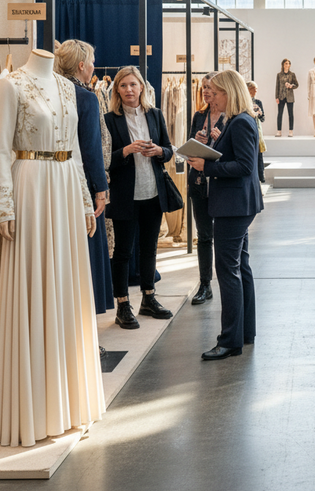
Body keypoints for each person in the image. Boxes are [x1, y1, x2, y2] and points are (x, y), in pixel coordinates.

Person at [187, 70, 264, 360]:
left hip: (234, 205)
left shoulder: (240, 121)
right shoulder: (239, 119)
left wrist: (206, 167)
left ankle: (230, 340)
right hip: (237, 203)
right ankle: (244, 332)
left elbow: (244, 166)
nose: (211, 97)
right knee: (240, 267)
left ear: (229, 93)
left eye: (216, 92)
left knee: (228, 271)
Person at [54, 40, 114, 357]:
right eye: (91, 61)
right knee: (84, 261)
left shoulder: (49, 89)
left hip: (53, 186)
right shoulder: (85, 97)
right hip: (82, 189)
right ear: (81, 65)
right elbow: (91, 150)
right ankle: (85, 337)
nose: (93, 66)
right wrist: (100, 190)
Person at [104, 66, 174, 330]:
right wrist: (126, 151)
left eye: (133, 84)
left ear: (142, 87)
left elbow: (169, 150)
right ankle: (122, 305)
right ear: (117, 90)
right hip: (125, 195)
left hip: (153, 192)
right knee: (123, 251)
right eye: (123, 86)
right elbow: (103, 160)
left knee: (149, 248)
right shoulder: (109, 119)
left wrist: (159, 151)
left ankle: (148, 298)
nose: (129, 90)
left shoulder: (155, 114)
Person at [187, 71, 223, 306]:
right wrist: (197, 142)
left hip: (221, 184)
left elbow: (233, 155)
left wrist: (219, 140)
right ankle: (205, 284)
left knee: (224, 236)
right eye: (204, 87)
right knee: (204, 236)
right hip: (199, 182)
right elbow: (189, 147)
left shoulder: (231, 117)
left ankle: (228, 281)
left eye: (210, 87)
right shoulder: (199, 116)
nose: (206, 91)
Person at [275, 58, 299, 137]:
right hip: (281, 96)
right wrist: (276, 97)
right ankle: (279, 131)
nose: (286, 65)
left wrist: (291, 86)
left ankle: (291, 131)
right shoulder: (279, 75)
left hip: (289, 96)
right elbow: (277, 86)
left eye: (288, 63)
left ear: (290, 65)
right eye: (285, 63)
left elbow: (296, 85)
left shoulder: (292, 74)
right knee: (280, 114)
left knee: (290, 114)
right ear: (283, 65)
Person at [248, 80, 266, 184]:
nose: (256, 91)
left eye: (256, 89)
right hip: (248, 129)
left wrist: (259, 113)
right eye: (253, 89)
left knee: (259, 153)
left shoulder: (258, 102)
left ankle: (261, 176)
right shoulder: (244, 102)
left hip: (257, 130)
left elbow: (263, 118)